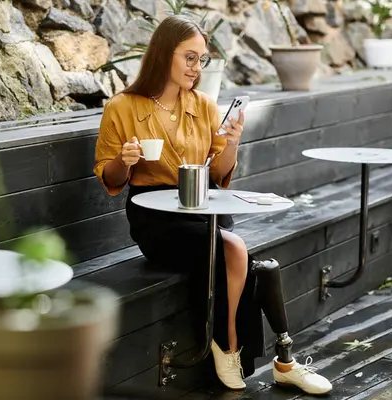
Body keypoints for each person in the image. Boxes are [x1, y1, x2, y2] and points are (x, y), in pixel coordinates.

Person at [93, 14, 332, 395]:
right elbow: (110, 179)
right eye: (189, 57)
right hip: (155, 217)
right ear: (162, 54)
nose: (196, 67)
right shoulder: (122, 107)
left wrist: (233, 140)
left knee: (242, 260)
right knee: (237, 252)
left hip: (201, 205)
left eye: (201, 59)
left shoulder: (204, 105)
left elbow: (219, 173)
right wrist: (125, 160)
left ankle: (267, 356)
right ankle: (243, 350)